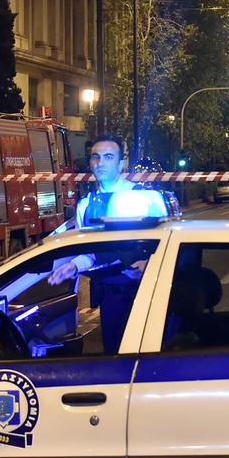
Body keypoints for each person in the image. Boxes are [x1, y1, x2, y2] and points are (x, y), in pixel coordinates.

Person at [47, 137, 167, 353]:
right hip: (111, 295)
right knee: (116, 356)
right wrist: (72, 266)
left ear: (121, 164)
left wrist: (149, 262)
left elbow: (169, 243)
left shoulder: (145, 197)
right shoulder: (86, 205)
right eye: (96, 157)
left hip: (149, 292)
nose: (100, 162)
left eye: (108, 157)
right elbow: (91, 254)